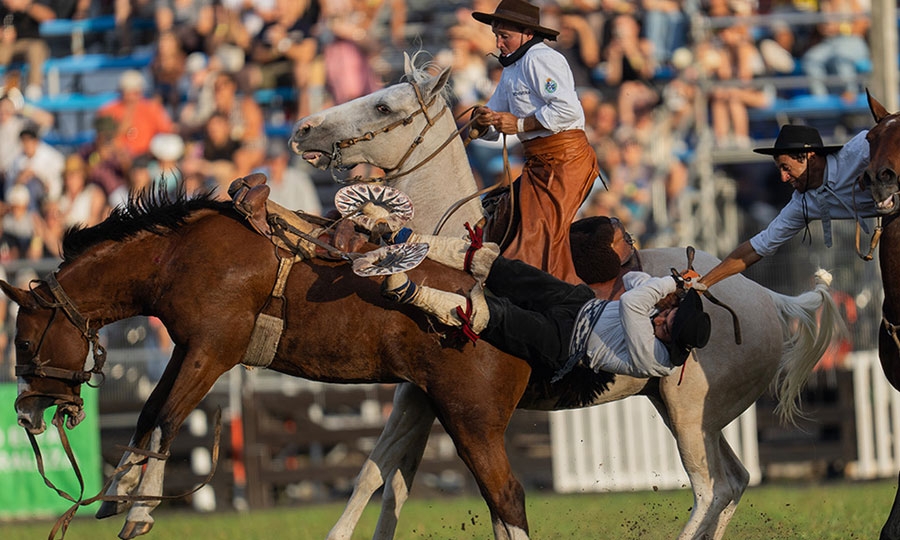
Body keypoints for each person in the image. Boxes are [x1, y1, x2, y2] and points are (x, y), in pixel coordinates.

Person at [379, 217, 711, 378]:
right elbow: (635, 278)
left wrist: (672, 283)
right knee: (502, 268)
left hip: (563, 344)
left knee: (496, 314)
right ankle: (411, 239)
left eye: (666, 327)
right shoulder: (663, 327)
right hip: (579, 303)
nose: (661, 319)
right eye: (668, 315)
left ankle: (409, 293)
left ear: (672, 345)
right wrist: (669, 293)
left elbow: (631, 301)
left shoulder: (656, 360)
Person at [468, 0, 600, 285]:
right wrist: (483, 121)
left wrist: (517, 124)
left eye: (505, 36)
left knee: (534, 239)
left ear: (528, 33)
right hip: (539, 163)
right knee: (499, 218)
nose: (499, 42)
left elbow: (569, 111)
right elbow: (495, 127)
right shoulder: (512, 68)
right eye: (497, 36)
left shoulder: (541, 58)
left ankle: (563, 303)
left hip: (566, 161)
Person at [698, 124, 874, 290]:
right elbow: (759, 246)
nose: (783, 177)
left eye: (786, 168)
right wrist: (702, 285)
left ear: (809, 157)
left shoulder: (861, 148)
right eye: (780, 169)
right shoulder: (801, 203)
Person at [98, 70, 176, 159]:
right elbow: (102, 140)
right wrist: (121, 130)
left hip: (147, 156)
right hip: (117, 157)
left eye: (135, 93)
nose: (131, 97)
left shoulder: (152, 108)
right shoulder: (108, 110)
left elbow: (167, 130)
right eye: (127, 93)